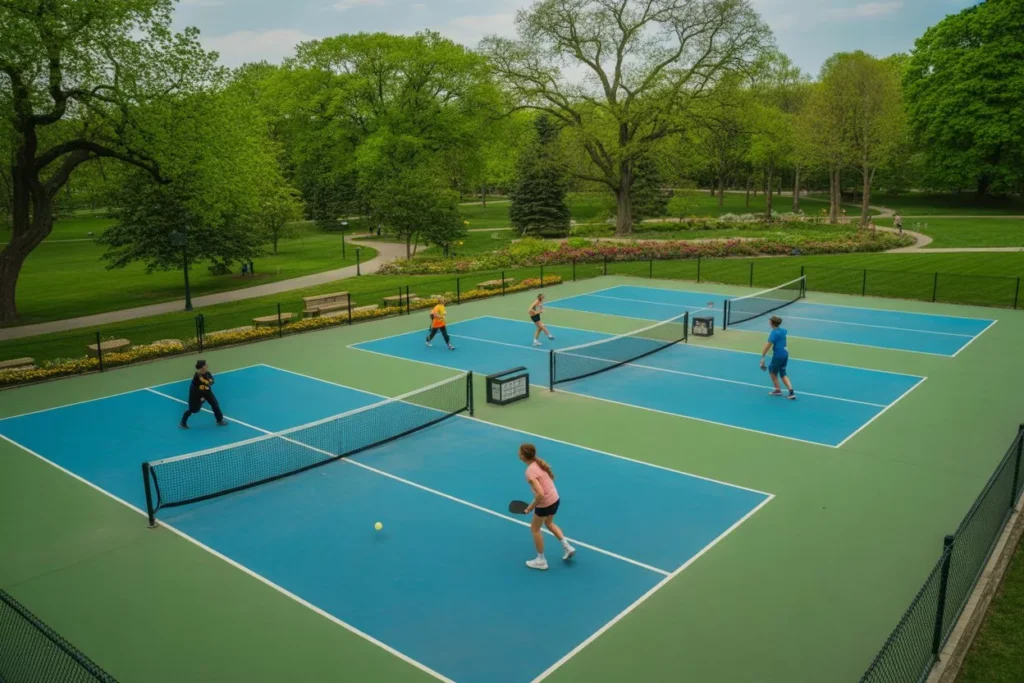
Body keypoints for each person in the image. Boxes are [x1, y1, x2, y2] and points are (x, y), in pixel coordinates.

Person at [519, 443, 575, 570]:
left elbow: (540, 494)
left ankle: (541, 560)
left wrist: (531, 507)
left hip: (545, 503)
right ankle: (567, 547)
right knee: (549, 523)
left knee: (535, 529)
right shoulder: (538, 463)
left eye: (519, 452)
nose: (518, 454)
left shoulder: (529, 472)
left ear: (523, 456)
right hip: (555, 499)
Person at [180, 360, 229, 428]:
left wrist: (209, 382)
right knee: (194, 409)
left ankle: (219, 420)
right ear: (202, 367)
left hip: (206, 391)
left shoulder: (208, 373)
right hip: (196, 393)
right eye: (206, 365)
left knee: (215, 404)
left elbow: (212, 382)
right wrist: (208, 382)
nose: (207, 366)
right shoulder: (198, 375)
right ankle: (183, 422)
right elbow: (205, 381)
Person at [760, 316, 796, 400]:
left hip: (778, 354)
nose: (769, 323)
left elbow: (767, 346)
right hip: (785, 353)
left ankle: (777, 390)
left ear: (772, 323)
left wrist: (762, 358)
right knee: (783, 373)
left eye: (769, 322)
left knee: (772, 370)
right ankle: (791, 393)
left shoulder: (774, 333)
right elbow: (783, 337)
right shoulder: (783, 331)